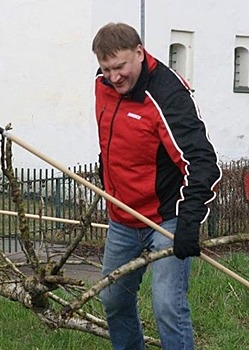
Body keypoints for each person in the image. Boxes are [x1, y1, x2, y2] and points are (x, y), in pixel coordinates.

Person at [92, 23, 221, 350]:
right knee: (112, 299)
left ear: (139, 52)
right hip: (122, 217)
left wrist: (189, 223)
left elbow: (202, 160)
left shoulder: (167, 95)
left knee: (167, 306)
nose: (114, 77)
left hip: (166, 217)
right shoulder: (102, 83)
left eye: (120, 67)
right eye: (107, 69)